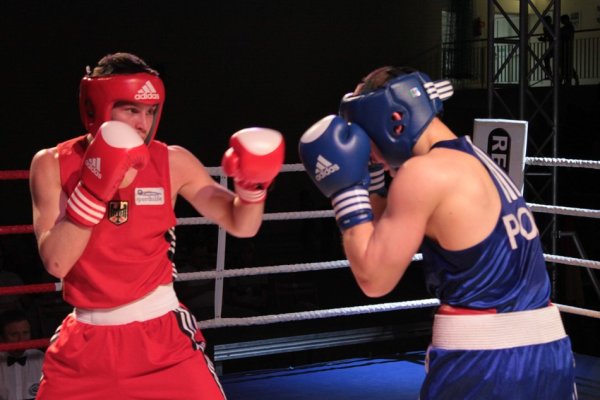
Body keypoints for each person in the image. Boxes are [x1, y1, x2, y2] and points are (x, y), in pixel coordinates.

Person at [298, 66, 576, 399]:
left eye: (365, 135)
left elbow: (374, 277)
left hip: (485, 364)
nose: (364, 149)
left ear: (394, 119)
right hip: (549, 354)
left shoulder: (422, 173)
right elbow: (386, 234)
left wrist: (345, 192)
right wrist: (373, 180)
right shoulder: (475, 159)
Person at [29, 52, 285, 399]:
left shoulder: (172, 161)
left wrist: (252, 189)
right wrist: (93, 189)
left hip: (162, 338)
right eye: (131, 110)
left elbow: (242, 224)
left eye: (150, 111)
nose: (143, 123)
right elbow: (56, 262)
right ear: (95, 107)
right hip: (87, 344)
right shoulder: (53, 163)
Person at [0, 309, 44, 400]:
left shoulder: (40, 358)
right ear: (2, 337)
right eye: (14, 334)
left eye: (25, 333)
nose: (21, 340)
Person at [560, 14, 579, 86]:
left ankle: (567, 80)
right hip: (566, 47)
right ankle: (568, 79)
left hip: (566, 47)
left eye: (562, 20)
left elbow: (566, 35)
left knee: (566, 64)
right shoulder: (569, 27)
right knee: (566, 64)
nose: (562, 22)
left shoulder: (568, 28)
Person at [538, 15, 555, 79]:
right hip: (554, 46)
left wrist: (543, 39)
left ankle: (549, 73)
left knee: (546, 57)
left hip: (553, 46)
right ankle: (550, 73)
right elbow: (548, 37)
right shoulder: (553, 26)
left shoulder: (546, 28)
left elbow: (547, 37)